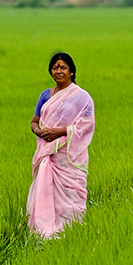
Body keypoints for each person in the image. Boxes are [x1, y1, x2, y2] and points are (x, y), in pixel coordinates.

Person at [27, 52, 95, 239]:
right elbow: (34, 121)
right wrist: (39, 131)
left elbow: (87, 124)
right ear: (50, 71)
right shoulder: (45, 95)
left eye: (63, 67)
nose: (59, 71)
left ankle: (72, 231)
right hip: (48, 153)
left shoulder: (81, 97)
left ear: (71, 72)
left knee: (71, 194)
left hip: (68, 157)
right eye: (55, 67)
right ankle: (44, 230)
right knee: (46, 189)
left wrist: (61, 131)